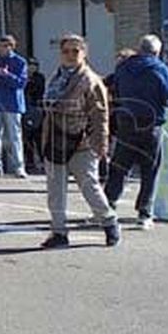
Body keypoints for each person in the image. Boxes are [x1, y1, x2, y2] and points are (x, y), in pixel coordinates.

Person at [40, 35, 120, 249]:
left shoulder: (91, 80)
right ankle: (58, 232)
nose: (70, 55)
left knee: (89, 186)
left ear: (84, 53)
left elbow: (101, 115)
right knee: (55, 189)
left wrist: (101, 145)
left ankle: (109, 222)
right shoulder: (56, 77)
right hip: (55, 138)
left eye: (75, 51)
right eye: (66, 51)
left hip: (81, 141)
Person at [104, 35, 168, 230]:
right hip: (151, 124)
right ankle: (144, 213)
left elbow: (115, 91)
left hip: (126, 121)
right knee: (149, 170)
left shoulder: (123, 68)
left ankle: (107, 205)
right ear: (157, 52)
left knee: (119, 167)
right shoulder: (160, 69)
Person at [0, 34, 29, 177]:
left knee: (15, 137)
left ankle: (18, 167)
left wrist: (7, 75)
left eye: (5, 46)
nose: (1, 49)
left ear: (11, 46)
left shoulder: (20, 62)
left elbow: (20, 83)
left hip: (12, 104)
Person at [22, 59, 47, 175]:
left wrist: (29, 81)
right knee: (27, 139)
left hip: (37, 109)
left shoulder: (39, 77)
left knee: (39, 138)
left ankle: (42, 162)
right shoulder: (23, 76)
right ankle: (29, 163)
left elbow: (38, 90)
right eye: (30, 65)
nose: (32, 67)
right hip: (25, 110)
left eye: (34, 65)